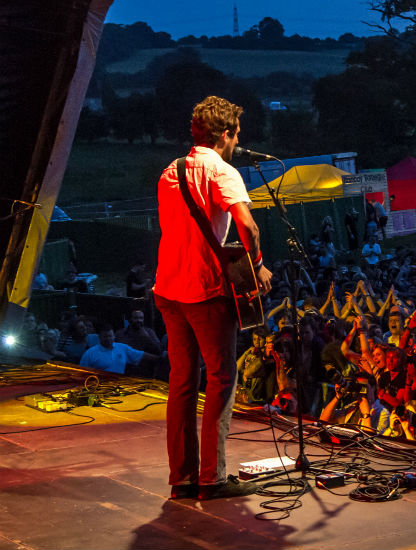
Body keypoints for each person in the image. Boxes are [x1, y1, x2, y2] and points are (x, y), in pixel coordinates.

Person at [153, 95, 273, 501]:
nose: (238, 142)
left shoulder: (169, 171)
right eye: (237, 134)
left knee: (182, 383)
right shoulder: (223, 171)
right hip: (205, 292)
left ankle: (181, 479)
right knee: (221, 379)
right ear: (225, 135)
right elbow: (248, 228)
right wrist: (256, 266)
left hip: (168, 289)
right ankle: (212, 478)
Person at [79, 322, 157, 375]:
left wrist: (159, 358)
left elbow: (140, 355)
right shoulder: (90, 353)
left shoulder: (122, 348)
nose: (108, 338)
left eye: (110, 336)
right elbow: (81, 373)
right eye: (105, 336)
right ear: (99, 337)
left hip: (119, 388)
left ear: (114, 336)